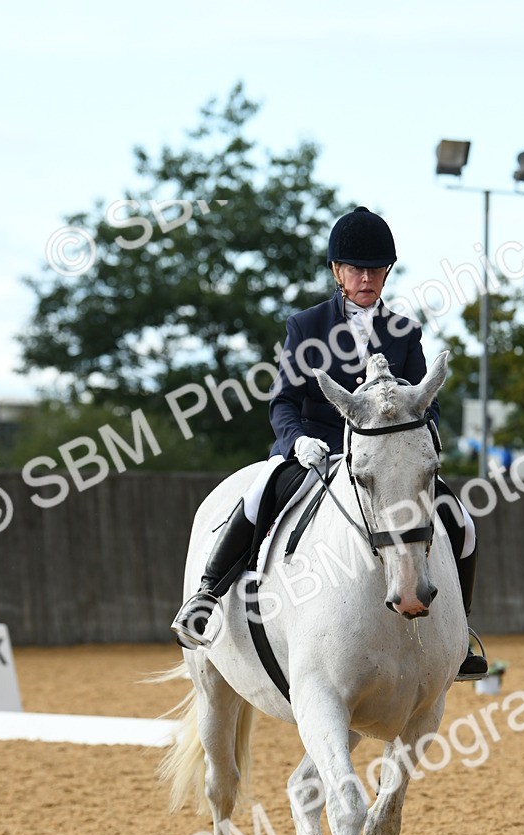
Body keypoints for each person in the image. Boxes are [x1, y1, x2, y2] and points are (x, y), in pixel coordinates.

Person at [172, 206, 487, 679]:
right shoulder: (307, 326)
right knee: (259, 493)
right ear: (338, 271)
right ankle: (207, 595)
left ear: (387, 272)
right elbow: (283, 401)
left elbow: (427, 404)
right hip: (316, 451)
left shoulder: (405, 332)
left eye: (376, 269)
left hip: (387, 459)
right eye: (356, 269)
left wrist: (422, 442)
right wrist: (296, 441)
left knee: (462, 522)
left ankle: (460, 632)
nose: (367, 278)